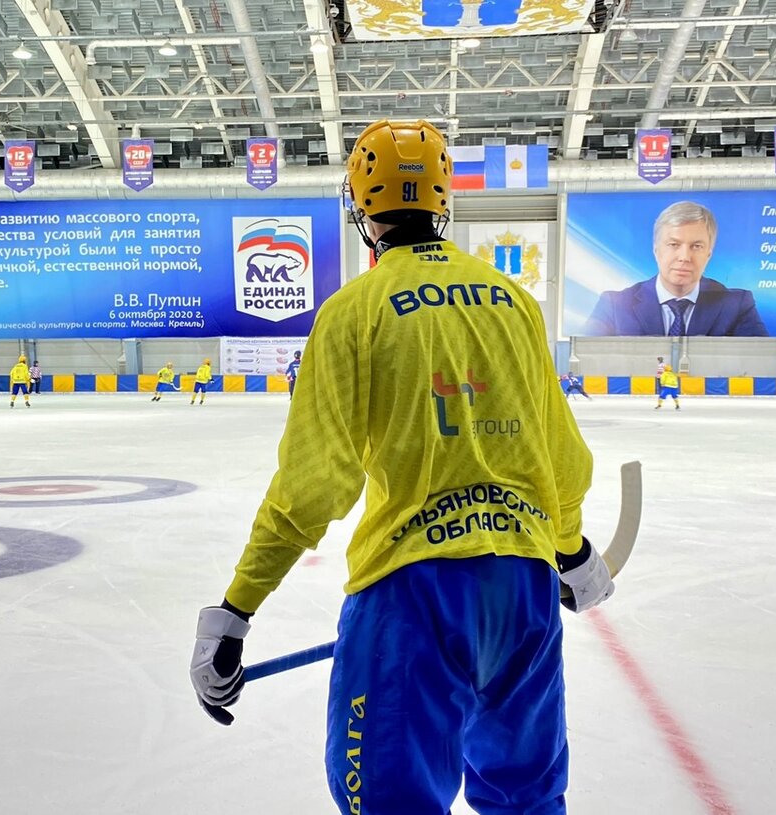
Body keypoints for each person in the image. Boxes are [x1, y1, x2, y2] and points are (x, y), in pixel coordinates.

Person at [190, 119, 613, 815]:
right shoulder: (515, 304)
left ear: (362, 212)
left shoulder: (352, 312)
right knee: (527, 799)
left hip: (410, 593)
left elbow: (312, 486)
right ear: (445, 203)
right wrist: (569, 551)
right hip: (522, 589)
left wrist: (234, 612)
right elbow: (561, 461)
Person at [582, 201, 768, 337]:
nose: (684, 257)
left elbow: (763, 364)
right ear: (656, 250)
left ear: (709, 254)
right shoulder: (614, 305)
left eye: (696, 246)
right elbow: (584, 361)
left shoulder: (737, 305)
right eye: (673, 244)